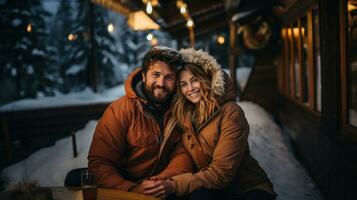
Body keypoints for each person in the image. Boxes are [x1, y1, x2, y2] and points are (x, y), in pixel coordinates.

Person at [143, 48, 277, 200]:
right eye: (183, 84)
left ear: (206, 79)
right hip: (213, 187)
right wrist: (162, 179)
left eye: (194, 80)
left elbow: (222, 172)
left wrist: (174, 185)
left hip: (247, 188)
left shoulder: (230, 112)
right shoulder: (184, 117)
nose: (190, 89)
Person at [87, 46, 193, 196]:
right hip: (124, 188)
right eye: (155, 75)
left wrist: (162, 181)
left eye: (169, 77)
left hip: (162, 185)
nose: (161, 83)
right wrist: (132, 190)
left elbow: (183, 152)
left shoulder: (180, 110)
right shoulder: (120, 110)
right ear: (144, 76)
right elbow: (100, 163)